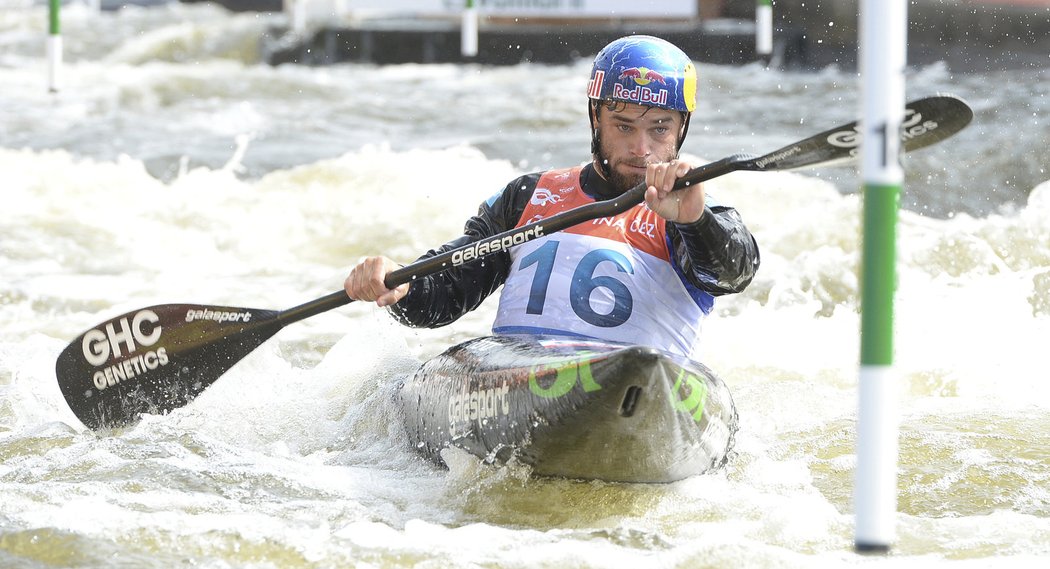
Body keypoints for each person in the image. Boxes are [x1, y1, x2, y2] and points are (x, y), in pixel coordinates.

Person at [344, 35, 759, 357]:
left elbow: (732, 274)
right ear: (595, 117)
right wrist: (401, 285)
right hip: (523, 379)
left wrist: (695, 222)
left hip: (638, 386)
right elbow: (450, 292)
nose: (641, 149)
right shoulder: (527, 196)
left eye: (660, 129)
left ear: (681, 129)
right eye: (624, 126)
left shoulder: (694, 214)